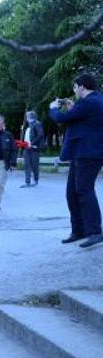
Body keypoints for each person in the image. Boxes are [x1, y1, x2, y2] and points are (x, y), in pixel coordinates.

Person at [50, 73, 103, 247]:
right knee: (72, 192)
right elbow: (81, 121)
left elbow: (61, 118)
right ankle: (79, 230)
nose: (74, 91)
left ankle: (95, 231)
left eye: (74, 87)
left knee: (84, 190)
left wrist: (53, 108)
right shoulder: (91, 102)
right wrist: (73, 109)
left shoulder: (90, 102)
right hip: (81, 153)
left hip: (89, 153)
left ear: (81, 86)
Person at [21, 110, 46, 188]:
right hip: (27, 148)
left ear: (31, 117)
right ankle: (27, 182)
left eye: (27, 116)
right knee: (27, 165)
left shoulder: (36, 124)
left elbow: (40, 135)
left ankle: (35, 180)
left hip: (34, 148)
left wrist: (33, 143)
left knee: (35, 165)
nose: (27, 118)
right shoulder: (29, 126)